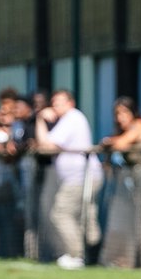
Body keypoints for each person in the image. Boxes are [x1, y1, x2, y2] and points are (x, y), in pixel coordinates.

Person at [35, 88, 101, 269]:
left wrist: (40, 119)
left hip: (80, 177)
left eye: (60, 102)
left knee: (61, 213)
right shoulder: (67, 120)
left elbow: (47, 146)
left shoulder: (72, 117)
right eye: (53, 102)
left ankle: (76, 255)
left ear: (71, 103)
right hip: (80, 177)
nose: (55, 106)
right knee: (84, 218)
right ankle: (92, 254)